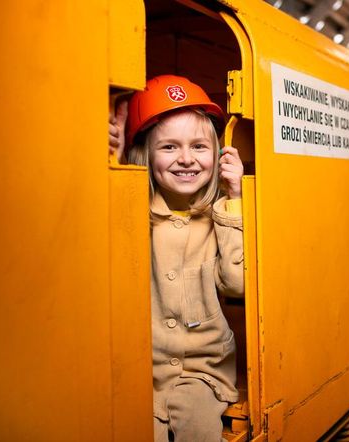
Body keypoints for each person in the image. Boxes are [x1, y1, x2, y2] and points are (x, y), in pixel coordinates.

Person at [109, 75, 244, 441]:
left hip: (203, 371)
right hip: (140, 368)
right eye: (168, 147)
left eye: (199, 146)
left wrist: (234, 198)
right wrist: (115, 160)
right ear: (146, 154)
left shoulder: (221, 215)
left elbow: (238, 282)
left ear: (217, 155)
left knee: (198, 431)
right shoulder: (130, 211)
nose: (186, 159)